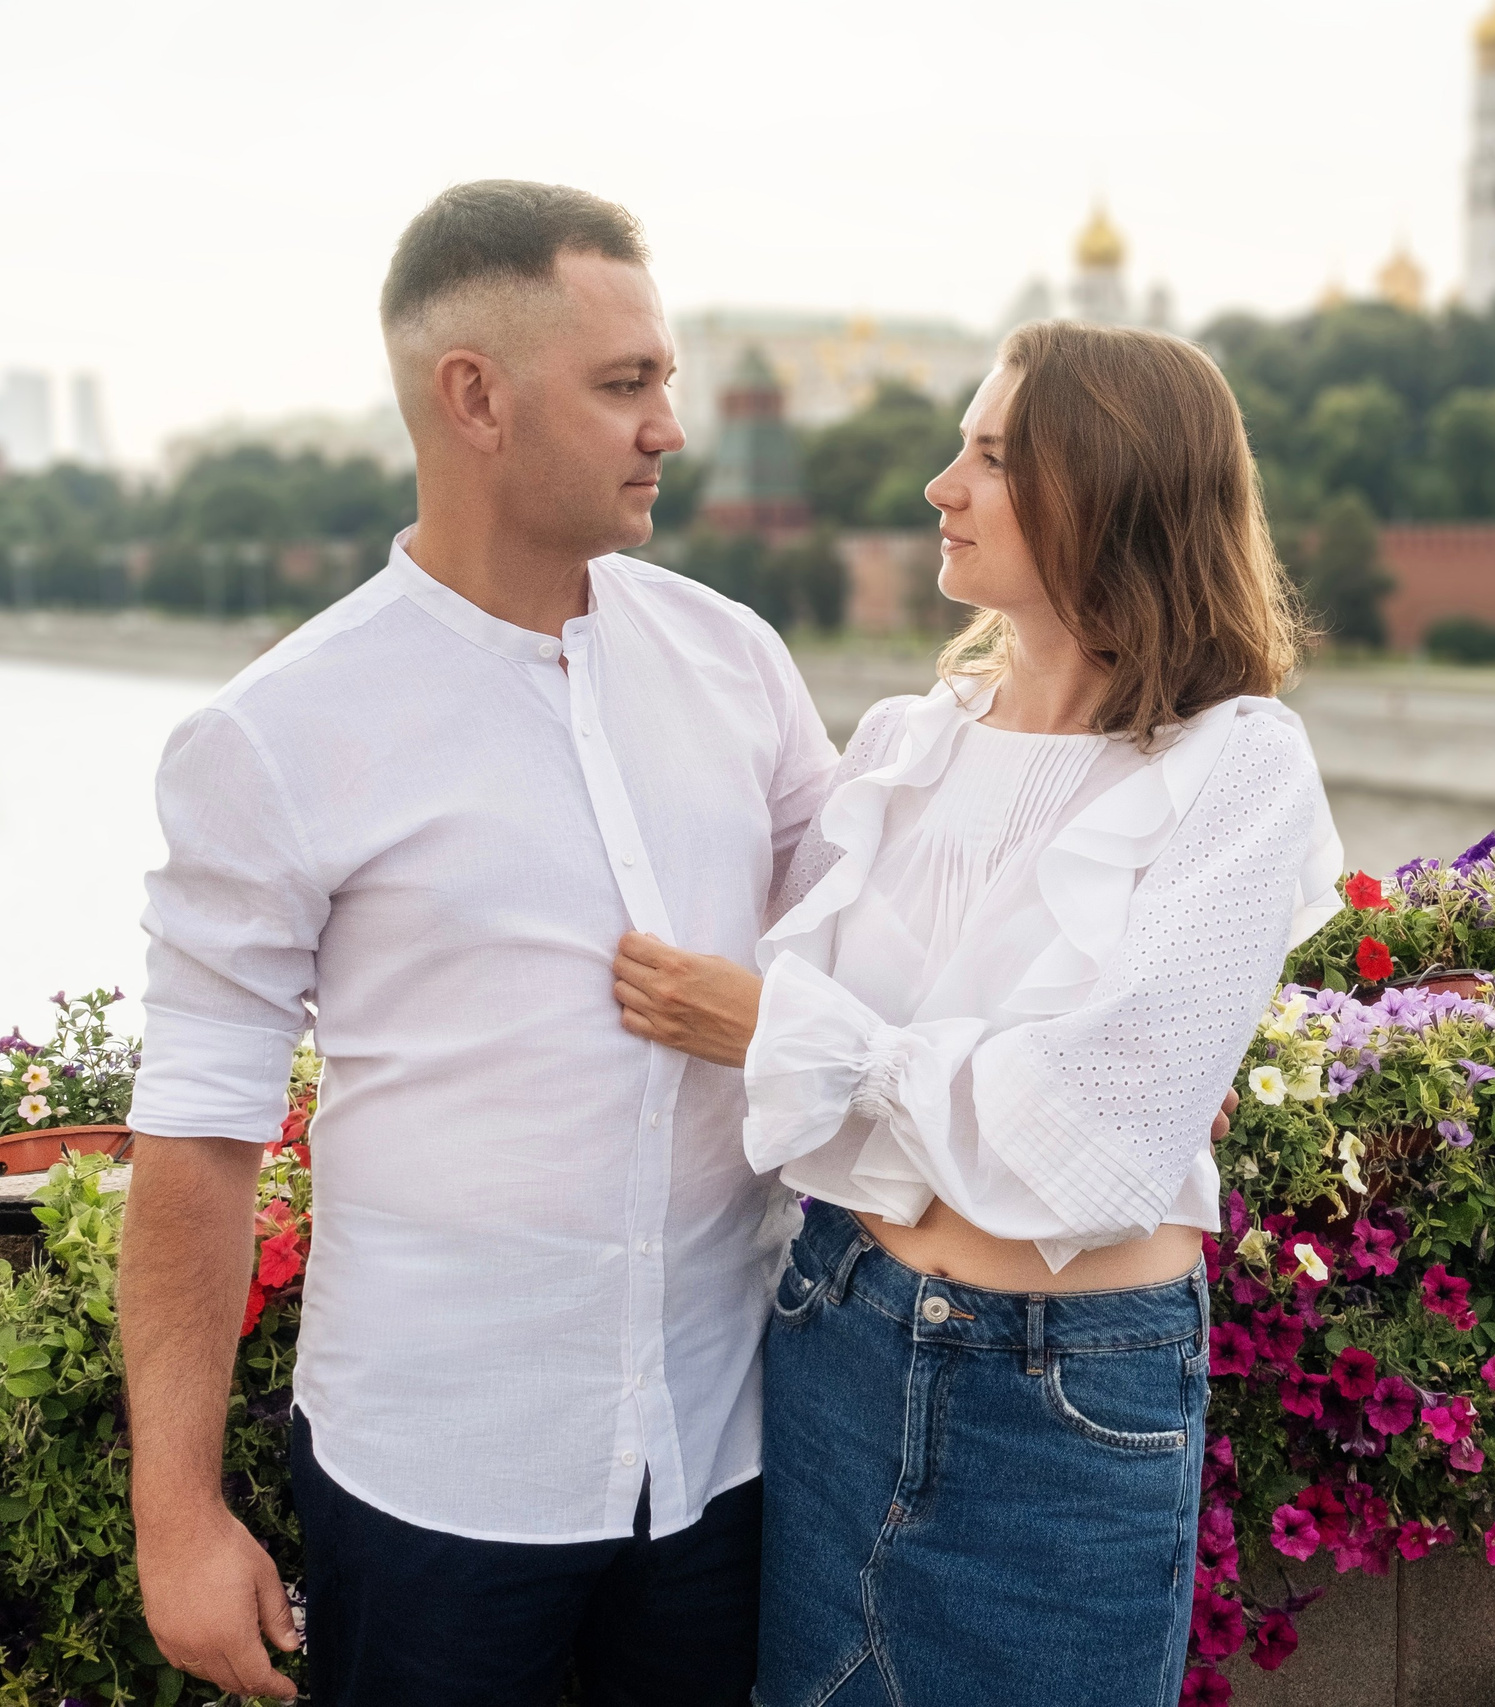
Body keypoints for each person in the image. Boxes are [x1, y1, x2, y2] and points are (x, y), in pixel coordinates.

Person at [117, 181, 846, 1705]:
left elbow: (872, 970)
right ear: (476, 398)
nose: (671, 425)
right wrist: (176, 1516)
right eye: (626, 383)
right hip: (434, 1493)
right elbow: (198, 1138)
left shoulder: (739, 664)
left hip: (724, 1464)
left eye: (665, 379)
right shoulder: (273, 736)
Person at [607, 320, 1341, 1707]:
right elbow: (818, 1077)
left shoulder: (1236, 768)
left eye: (993, 457)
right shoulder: (903, 746)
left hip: (1062, 1404)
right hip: (835, 1332)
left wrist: (788, 1034)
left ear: (1110, 488)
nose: (941, 486)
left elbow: (1092, 1139)